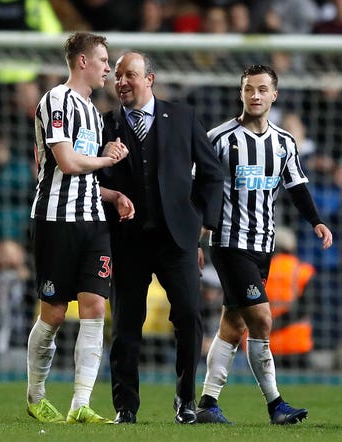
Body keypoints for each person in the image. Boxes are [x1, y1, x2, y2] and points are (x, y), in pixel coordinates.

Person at [195, 64, 333, 425]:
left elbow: (297, 187)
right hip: (228, 242)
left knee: (233, 324)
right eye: (248, 89)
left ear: (275, 95)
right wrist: (196, 234)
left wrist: (316, 221)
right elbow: (197, 189)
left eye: (261, 90)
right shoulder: (219, 138)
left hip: (264, 244)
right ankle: (276, 404)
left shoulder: (284, 142)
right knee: (262, 318)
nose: (255, 96)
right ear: (241, 93)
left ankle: (208, 403)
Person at [98, 51, 224, 424]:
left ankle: (185, 400)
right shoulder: (106, 125)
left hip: (178, 240)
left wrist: (204, 223)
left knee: (189, 318)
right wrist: (103, 157)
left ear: (149, 79)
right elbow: (92, 181)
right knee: (124, 326)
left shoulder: (183, 117)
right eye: (117, 75)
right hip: (128, 241)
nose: (121, 81)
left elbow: (212, 174)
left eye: (129, 75)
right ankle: (125, 408)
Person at [25, 32, 133, 424]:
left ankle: (80, 404)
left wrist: (112, 194)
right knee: (53, 313)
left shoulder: (92, 111)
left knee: (94, 309)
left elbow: (81, 177)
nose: (109, 67)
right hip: (56, 220)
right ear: (83, 62)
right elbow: (68, 164)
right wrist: (106, 160)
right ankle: (36, 395)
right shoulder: (57, 100)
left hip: (93, 222)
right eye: (104, 60)